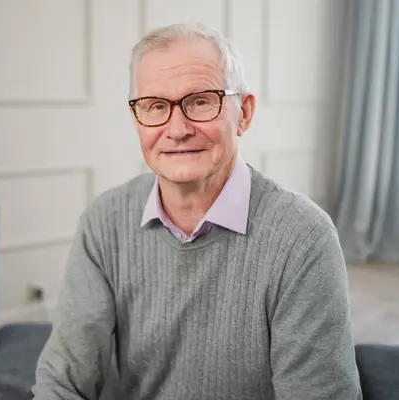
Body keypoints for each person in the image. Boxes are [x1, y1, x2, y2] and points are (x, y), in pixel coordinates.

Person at [31, 22, 362, 399]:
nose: (177, 128)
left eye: (201, 101)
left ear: (244, 113)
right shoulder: (104, 221)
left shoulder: (303, 238)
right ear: (137, 119)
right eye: (155, 106)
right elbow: (63, 379)